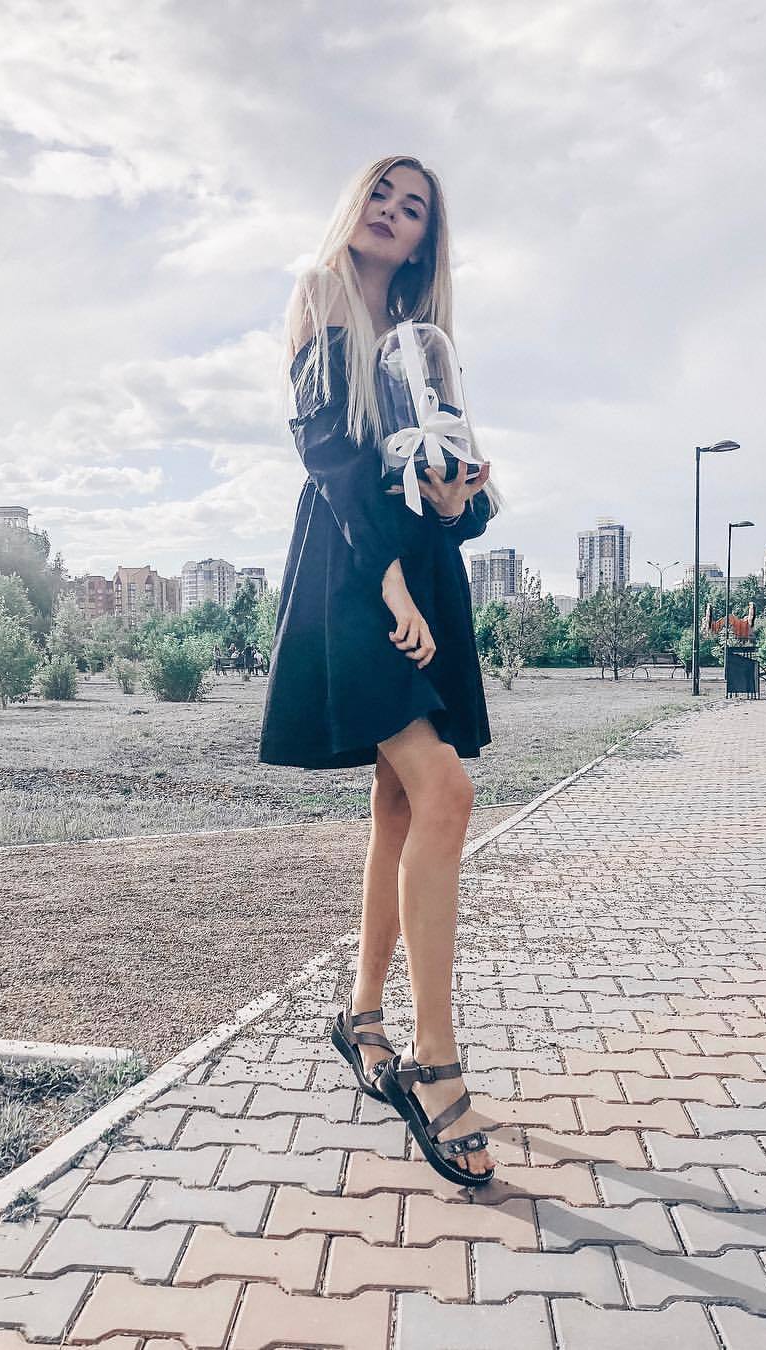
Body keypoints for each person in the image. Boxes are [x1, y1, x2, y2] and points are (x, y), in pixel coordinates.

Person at [258, 155, 505, 1186]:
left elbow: (459, 485)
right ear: (355, 203)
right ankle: (433, 1062)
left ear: (423, 241)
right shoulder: (320, 292)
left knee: (402, 806)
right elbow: (328, 451)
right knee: (447, 791)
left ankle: (362, 1018)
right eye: (382, 195)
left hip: (416, 568)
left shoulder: (421, 336)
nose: (392, 215)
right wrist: (392, 580)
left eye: (414, 210)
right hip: (353, 567)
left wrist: (460, 500)